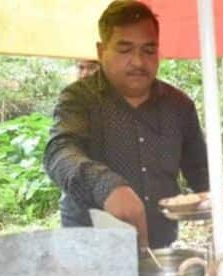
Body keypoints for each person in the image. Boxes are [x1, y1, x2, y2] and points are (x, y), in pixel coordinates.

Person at [44, 0, 208, 249]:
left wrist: (218, 199)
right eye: (125, 50)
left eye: (148, 50)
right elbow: (60, 152)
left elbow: (201, 171)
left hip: (159, 248)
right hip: (90, 250)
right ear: (101, 51)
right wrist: (106, 186)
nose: (138, 62)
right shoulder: (79, 99)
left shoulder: (179, 106)